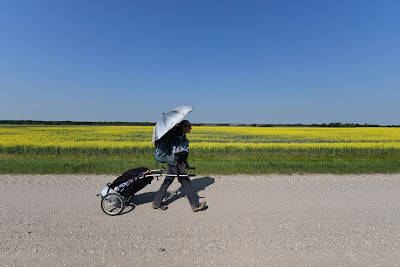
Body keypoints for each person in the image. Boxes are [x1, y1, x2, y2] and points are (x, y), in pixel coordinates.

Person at [152, 120, 206, 212]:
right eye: (189, 126)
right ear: (183, 127)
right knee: (186, 182)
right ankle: (195, 205)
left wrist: (186, 163)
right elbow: (178, 152)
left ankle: (156, 203)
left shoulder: (179, 135)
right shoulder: (178, 137)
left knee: (168, 181)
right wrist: (183, 163)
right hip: (176, 163)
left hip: (173, 162)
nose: (190, 128)